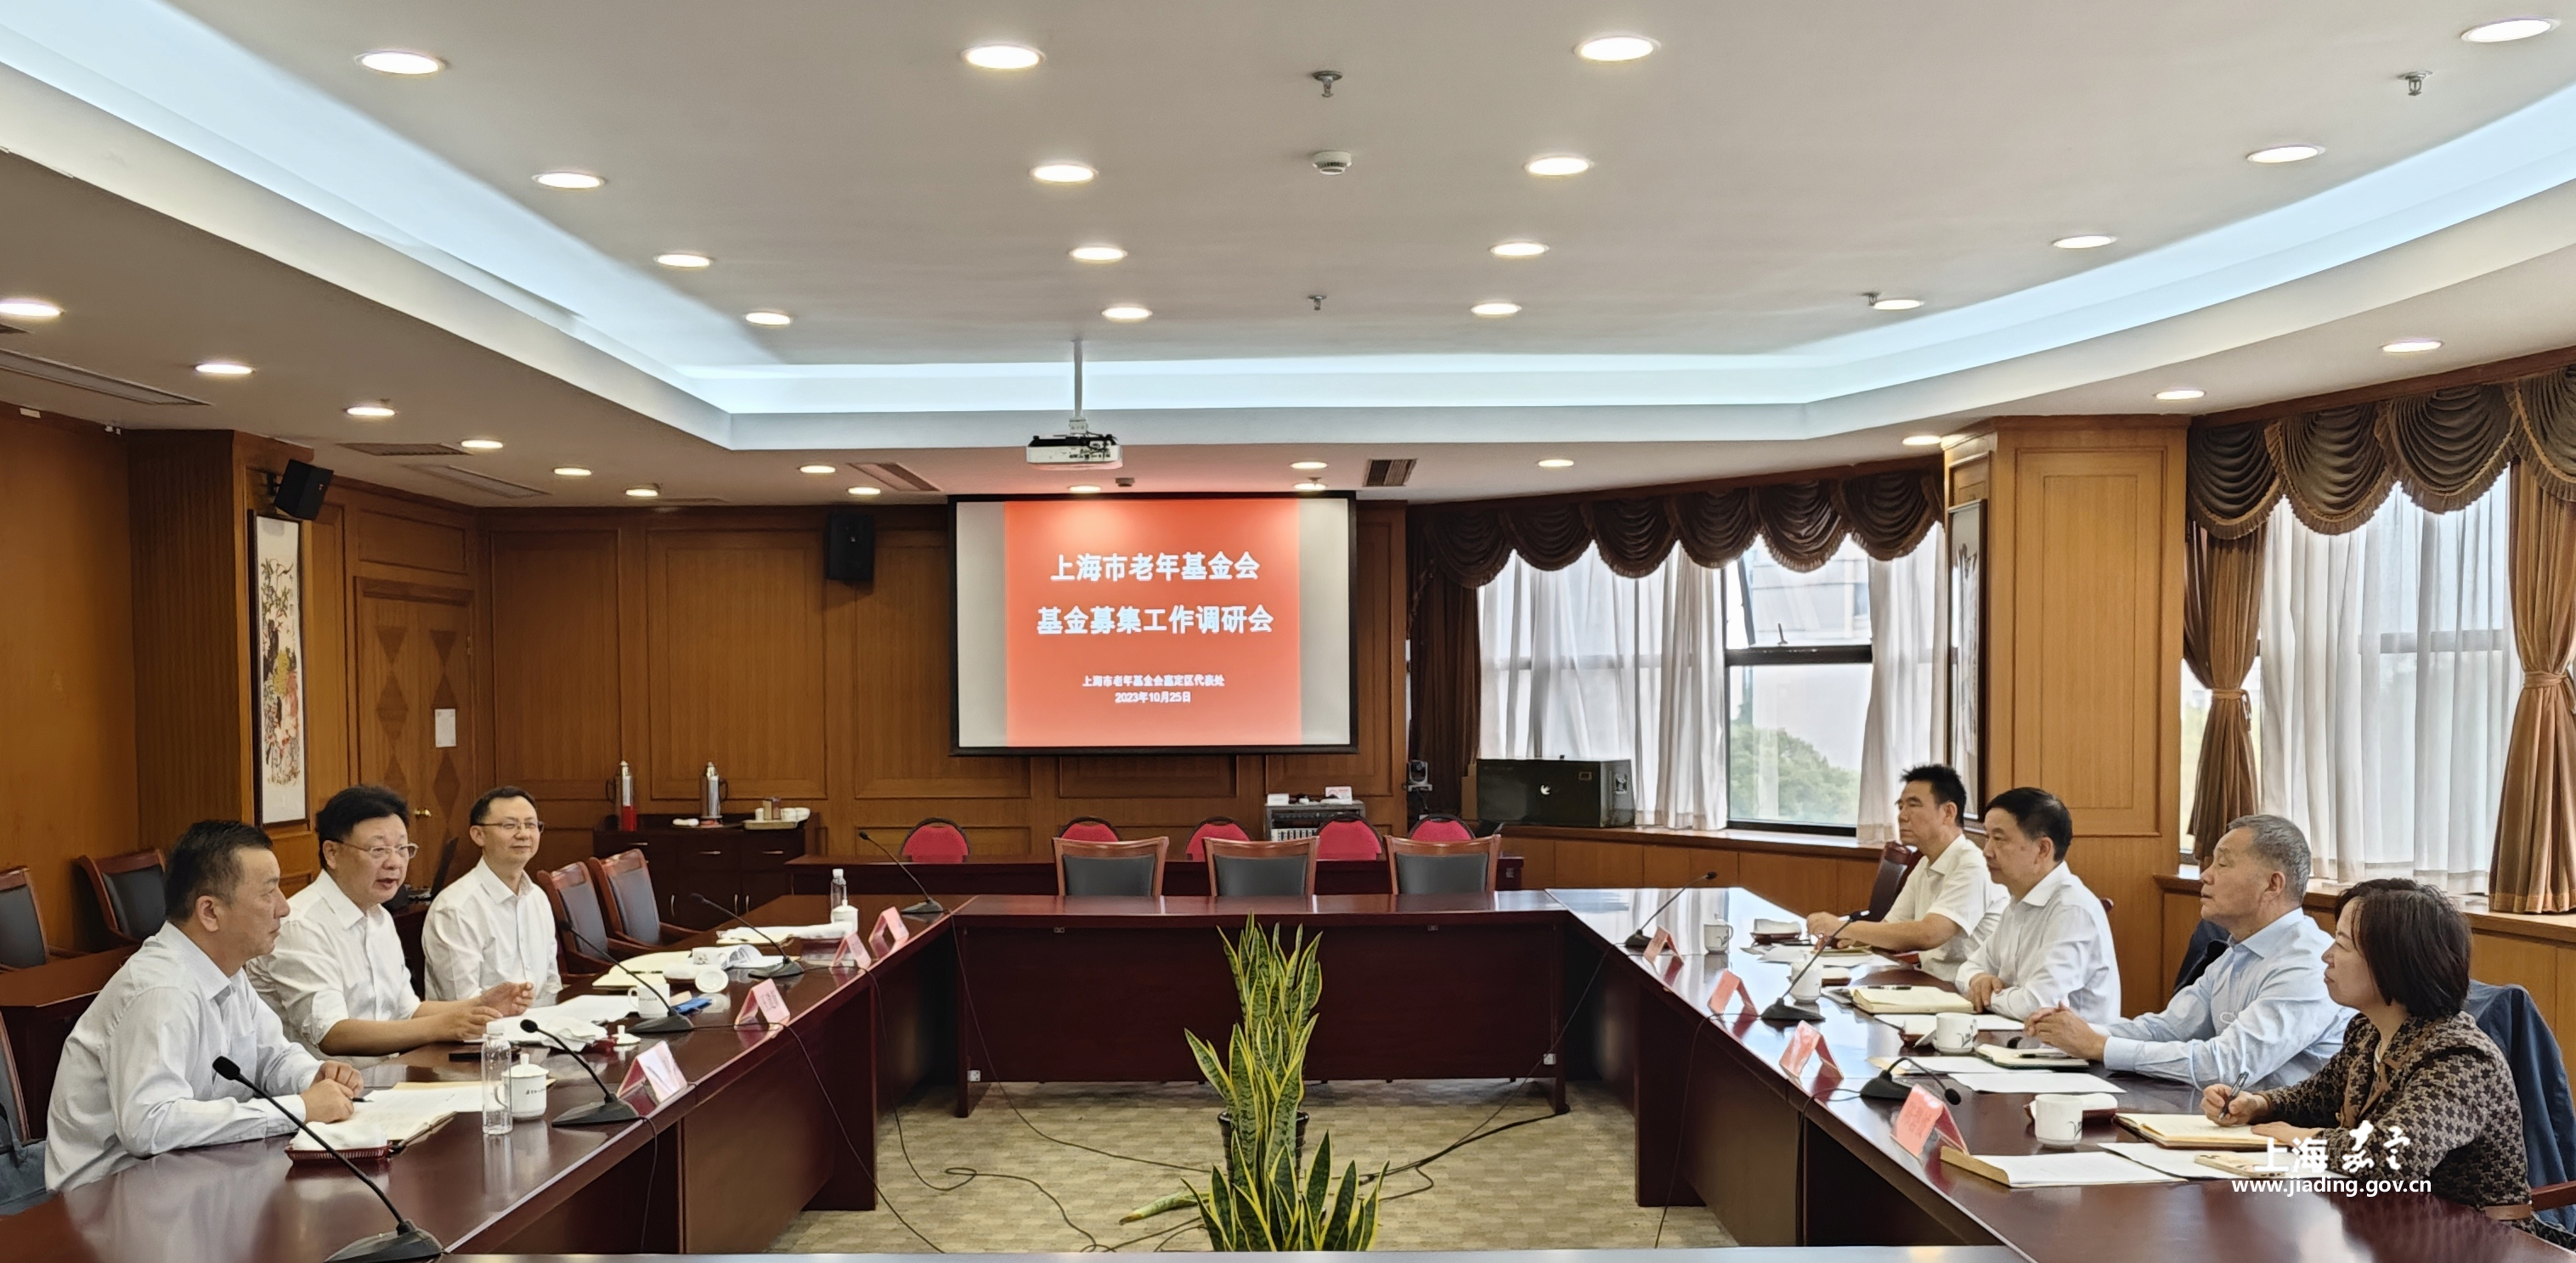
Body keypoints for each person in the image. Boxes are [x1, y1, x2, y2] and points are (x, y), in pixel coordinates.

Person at [46, 821, 365, 1190]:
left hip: (191, 1175)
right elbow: (150, 1125)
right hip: (107, 1197)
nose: (284, 908)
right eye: (268, 893)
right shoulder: (160, 990)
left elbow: (273, 1057)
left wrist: (313, 1078)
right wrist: (299, 1108)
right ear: (210, 912)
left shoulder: (226, 968)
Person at [2205, 879, 2535, 1226]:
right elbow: (2318, 1097)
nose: (2327, 956)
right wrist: (2258, 1105)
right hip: (2392, 1227)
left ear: (2393, 964)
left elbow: (2393, 1155)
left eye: (2342, 944)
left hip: (2478, 1239)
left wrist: (2304, 1138)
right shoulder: (2368, 1031)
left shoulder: (2461, 1059)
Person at [2023, 815, 2345, 1088]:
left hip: (2287, 1136)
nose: (2206, 874)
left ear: (2272, 885)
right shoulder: (2237, 952)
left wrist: (2100, 1046)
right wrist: (2076, 1030)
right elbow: (2167, 1028)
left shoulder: (2308, 965)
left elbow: (2229, 1066)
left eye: (2223, 864)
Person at [248, 785, 527, 1057]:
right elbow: (332, 1034)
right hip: (325, 1082)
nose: (395, 862)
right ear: (332, 853)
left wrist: (480, 1005)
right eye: (378, 850)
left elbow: (407, 1010)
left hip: (388, 1074)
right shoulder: (301, 925)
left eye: (402, 848)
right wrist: (443, 1026)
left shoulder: (379, 916)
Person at [1804, 764, 2003, 982]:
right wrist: (1848, 937)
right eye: (1901, 806)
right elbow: (1891, 927)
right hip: (1931, 982)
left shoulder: (1973, 866)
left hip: (1966, 990)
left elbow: (1930, 934)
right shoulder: (1925, 862)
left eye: (1913, 805)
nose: (1902, 816)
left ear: (1948, 812)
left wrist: (1844, 927)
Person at [1956, 787, 2119, 1023]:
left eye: (1999, 839)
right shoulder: (2019, 900)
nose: (1987, 851)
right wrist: (1978, 979)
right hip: (2015, 1036)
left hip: (2064, 1047)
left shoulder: (2072, 909)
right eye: (1987, 837)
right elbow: (1968, 968)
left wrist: (1987, 996)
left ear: (2042, 849)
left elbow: (2038, 1004)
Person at [424, 786, 563, 1007]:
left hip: (542, 1023)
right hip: (484, 1028)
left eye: (530, 824)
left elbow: (551, 984)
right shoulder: (455, 909)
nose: (523, 834)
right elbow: (463, 1005)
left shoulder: (537, 897)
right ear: (478, 835)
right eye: (509, 825)